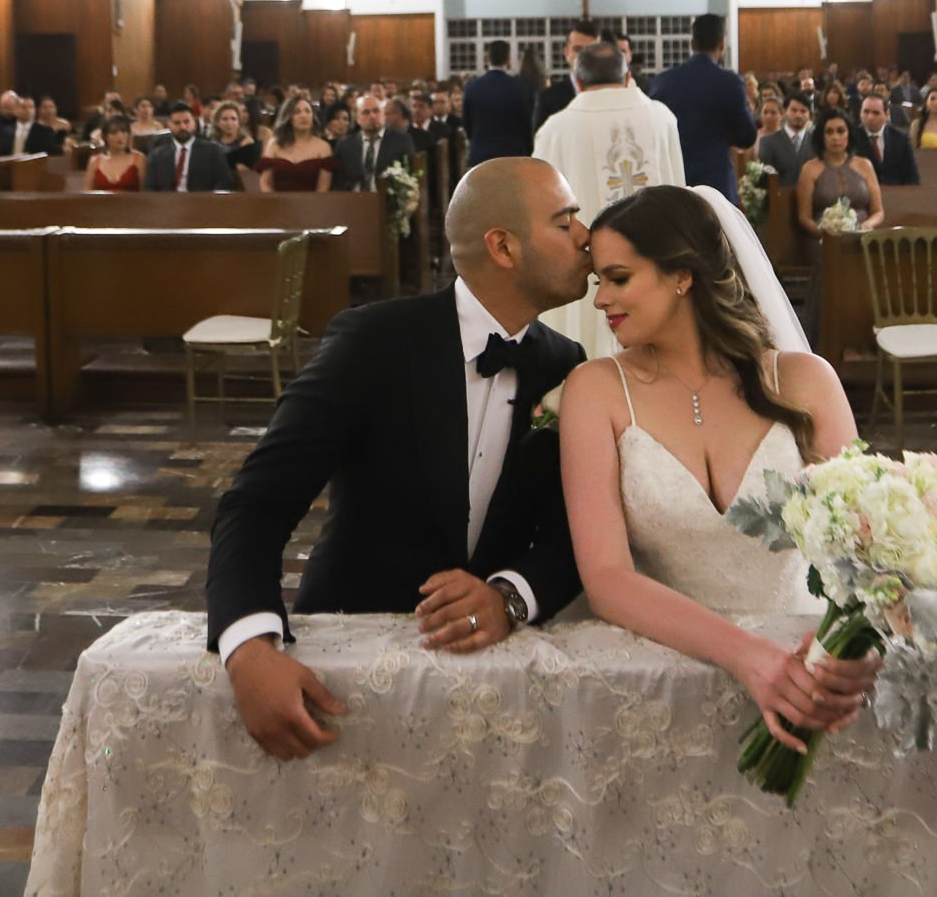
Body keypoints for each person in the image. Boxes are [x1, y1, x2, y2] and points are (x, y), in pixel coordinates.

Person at [207, 159, 593, 759]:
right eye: (566, 222)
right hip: (347, 661)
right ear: (503, 246)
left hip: (491, 688)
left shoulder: (566, 365)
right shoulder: (374, 343)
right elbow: (257, 503)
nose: (585, 236)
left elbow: (575, 533)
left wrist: (509, 596)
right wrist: (250, 646)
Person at [556, 187, 879, 752]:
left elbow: (862, 551)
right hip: (662, 677)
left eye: (618, 278)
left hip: (807, 668)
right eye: (596, 282)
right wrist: (749, 658)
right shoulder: (596, 390)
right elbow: (606, 579)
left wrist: (854, 648)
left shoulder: (805, 380)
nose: (600, 299)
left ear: (682, 275)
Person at [535, 43, 687, 357]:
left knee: (585, 341)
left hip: (589, 268)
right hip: (659, 259)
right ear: (628, 74)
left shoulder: (556, 129)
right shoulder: (662, 118)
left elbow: (541, 207)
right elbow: (679, 194)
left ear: (577, 80)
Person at [649, 13, 759, 203]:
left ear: (691, 44)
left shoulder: (663, 82)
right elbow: (746, 136)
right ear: (722, 44)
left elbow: (653, 130)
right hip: (715, 183)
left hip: (674, 181)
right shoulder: (729, 82)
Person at [795, 106, 883, 244]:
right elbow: (804, 217)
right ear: (822, 136)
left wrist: (866, 226)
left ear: (849, 134)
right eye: (829, 132)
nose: (835, 137)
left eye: (841, 131)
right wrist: (825, 233)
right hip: (823, 242)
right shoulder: (810, 169)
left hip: (862, 239)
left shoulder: (865, 165)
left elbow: (878, 212)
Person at [461, 38, 535, 165]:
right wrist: (529, 152)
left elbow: (467, 124)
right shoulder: (519, 87)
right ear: (508, 59)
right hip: (513, 155)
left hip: (481, 155)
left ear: (487, 58)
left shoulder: (472, 87)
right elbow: (526, 124)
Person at [146, 101, 239, 193]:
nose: (182, 127)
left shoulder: (212, 150)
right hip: (167, 205)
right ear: (169, 125)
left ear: (194, 123)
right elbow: (149, 187)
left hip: (202, 204)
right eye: (177, 123)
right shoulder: (157, 155)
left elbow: (225, 182)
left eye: (187, 122)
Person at [530, 21, 602, 136]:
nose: (584, 56)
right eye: (578, 49)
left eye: (591, 50)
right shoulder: (548, 99)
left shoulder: (610, 95)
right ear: (566, 52)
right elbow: (540, 144)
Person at [334, 94, 415, 193]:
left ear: (384, 115)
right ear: (357, 119)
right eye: (366, 112)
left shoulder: (402, 141)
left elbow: (411, 177)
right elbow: (338, 183)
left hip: (387, 201)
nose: (372, 116)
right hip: (353, 201)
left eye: (376, 111)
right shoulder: (345, 145)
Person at [255, 95, 336, 192]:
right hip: (277, 204)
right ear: (288, 117)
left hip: (312, 204)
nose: (303, 116)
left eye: (307, 111)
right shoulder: (274, 144)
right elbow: (265, 183)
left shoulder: (323, 147)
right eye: (297, 112)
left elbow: (323, 188)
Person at [854, 93, 920, 186]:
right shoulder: (851, 138)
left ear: (886, 115)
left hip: (896, 194)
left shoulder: (900, 138)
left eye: (875, 113)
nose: (870, 117)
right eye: (866, 112)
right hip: (862, 194)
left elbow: (912, 177)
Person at [756, 95, 813, 186]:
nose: (798, 115)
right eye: (794, 110)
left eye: (803, 111)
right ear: (785, 111)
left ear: (809, 114)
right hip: (779, 197)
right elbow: (763, 180)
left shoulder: (816, 141)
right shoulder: (768, 142)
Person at [85, 116, 147, 192]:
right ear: (105, 137)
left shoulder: (139, 159)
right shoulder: (94, 161)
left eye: (124, 131)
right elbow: (87, 194)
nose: (120, 136)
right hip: (102, 203)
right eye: (114, 132)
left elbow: (144, 193)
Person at [212, 100, 262, 180]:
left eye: (233, 119)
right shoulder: (211, 142)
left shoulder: (247, 143)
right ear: (217, 122)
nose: (229, 123)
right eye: (225, 119)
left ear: (239, 122)